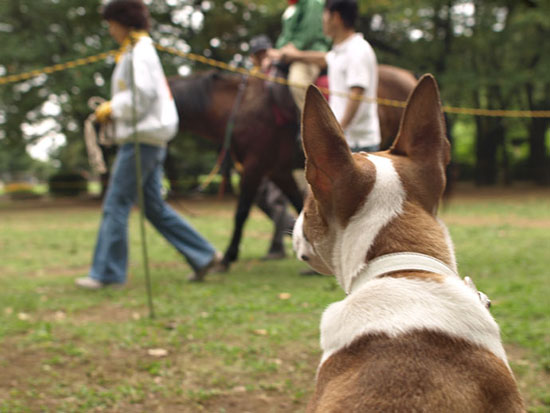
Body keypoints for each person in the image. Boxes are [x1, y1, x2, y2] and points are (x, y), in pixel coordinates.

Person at [76, 0, 221, 289]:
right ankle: (204, 255)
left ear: (122, 22)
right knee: (153, 207)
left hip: (142, 140)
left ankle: (108, 274)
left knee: (116, 203)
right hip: (149, 138)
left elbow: (141, 98)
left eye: (110, 23)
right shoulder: (135, 51)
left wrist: (112, 108)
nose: (109, 29)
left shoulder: (139, 52)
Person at [271, 0, 381, 152]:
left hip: (356, 144)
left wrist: (337, 132)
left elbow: (356, 94)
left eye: (324, 15)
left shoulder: (357, 50)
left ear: (335, 17)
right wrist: (296, 56)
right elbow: (323, 58)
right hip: (346, 141)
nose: (322, 20)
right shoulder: (340, 50)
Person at [268, 0, 330, 113]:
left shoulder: (313, 3)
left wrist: (287, 50)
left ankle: (311, 123)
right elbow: (285, 36)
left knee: (297, 82)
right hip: (288, 53)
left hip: (309, 54)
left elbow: (310, 33)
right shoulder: (292, 7)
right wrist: (278, 51)